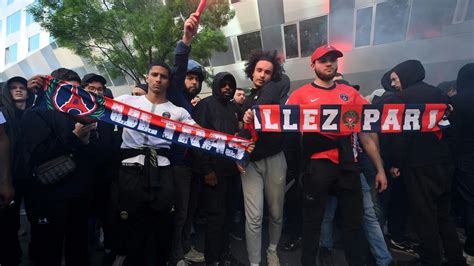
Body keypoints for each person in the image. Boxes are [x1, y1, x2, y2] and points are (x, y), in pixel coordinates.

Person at [111, 13, 200, 266]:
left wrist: (235, 144)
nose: (159, 79)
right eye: (155, 75)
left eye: (164, 76)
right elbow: (93, 111)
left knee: (162, 227)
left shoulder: (180, 111)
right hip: (130, 172)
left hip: (163, 172)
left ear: (169, 81)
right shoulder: (126, 102)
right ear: (147, 78)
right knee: (132, 228)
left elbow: (201, 136)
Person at [285, 44, 387, 266]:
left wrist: (380, 169)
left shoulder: (351, 94)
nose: (329, 63)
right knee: (313, 222)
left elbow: (367, 134)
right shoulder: (300, 95)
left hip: (348, 165)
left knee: (354, 222)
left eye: (333, 59)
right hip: (317, 166)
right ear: (313, 65)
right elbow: (280, 123)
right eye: (323, 60)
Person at [388, 60, 465, 265]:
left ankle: (431, 258)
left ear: (406, 75)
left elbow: (400, 135)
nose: (394, 84)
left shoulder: (401, 99)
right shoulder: (440, 94)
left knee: (424, 215)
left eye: (395, 79)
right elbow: (452, 130)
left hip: (418, 165)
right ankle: (455, 257)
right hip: (444, 163)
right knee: (444, 215)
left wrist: (396, 163)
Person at [22, 68, 97, 266]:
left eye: (78, 91)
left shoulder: (84, 116)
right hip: (50, 196)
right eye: (68, 91)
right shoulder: (36, 114)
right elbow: (38, 152)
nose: (75, 97)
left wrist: (89, 138)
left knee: (79, 249)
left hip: (80, 196)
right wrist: (74, 136)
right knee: (48, 250)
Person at [241, 50, 287, 266]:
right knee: (254, 217)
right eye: (259, 70)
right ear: (252, 72)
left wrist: (254, 112)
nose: (262, 75)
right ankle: (254, 263)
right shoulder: (244, 100)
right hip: (250, 163)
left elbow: (266, 101)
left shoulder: (274, 89)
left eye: (268, 72)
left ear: (273, 75)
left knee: (276, 212)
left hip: (275, 158)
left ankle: (272, 250)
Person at [192, 72, 244, 266]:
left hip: (232, 172)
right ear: (216, 85)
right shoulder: (205, 106)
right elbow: (197, 138)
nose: (227, 88)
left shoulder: (234, 108)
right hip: (213, 173)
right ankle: (212, 259)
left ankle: (224, 254)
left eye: (231, 85)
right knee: (215, 218)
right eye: (223, 84)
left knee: (229, 216)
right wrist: (207, 170)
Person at [451, 63, 474, 264]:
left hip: (467, 160)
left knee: (470, 202)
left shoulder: (458, 102)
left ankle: (472, 247)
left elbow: (453, 137)